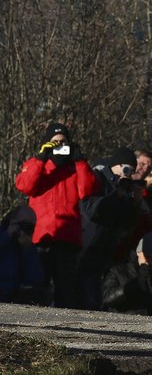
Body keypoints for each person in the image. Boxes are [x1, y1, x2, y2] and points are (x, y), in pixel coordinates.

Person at [14, 122, 99, 308]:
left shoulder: (74, 169)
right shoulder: (37, 165)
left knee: (66, 292)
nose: (59, 146)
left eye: (63, 142)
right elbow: (25, 186)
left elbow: (88, 190)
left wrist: (80, 161)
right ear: (46, 143)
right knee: (38, 288)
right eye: (55, 142)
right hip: (41, 238)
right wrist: (41, 158)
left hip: (67, 240)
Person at [78, 147, 143, 310]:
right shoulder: (97, 178)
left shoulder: (125, 188)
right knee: (82, 296)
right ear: (115, 165)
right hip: (86, 248)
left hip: (106, 253)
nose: (127, 174)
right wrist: (117, 194)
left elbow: (126, 227)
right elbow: (92, 211)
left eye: (131, 171)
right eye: (126, 169)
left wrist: (135, 204)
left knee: (96, 301)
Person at [101, 232, 152, 317]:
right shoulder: (119, 271)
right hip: (124, 319)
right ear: (138, 253)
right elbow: (107, 299)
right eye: (147, 256)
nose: (149, 261)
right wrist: (136, 283)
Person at [0, 205, 46, 304]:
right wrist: (8, 236)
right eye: (24, 225)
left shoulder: (27, 247)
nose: (25, 231)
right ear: (12, 221)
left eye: (30, 227)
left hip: (13, 297)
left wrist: (27, 249)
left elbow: (35, 279)